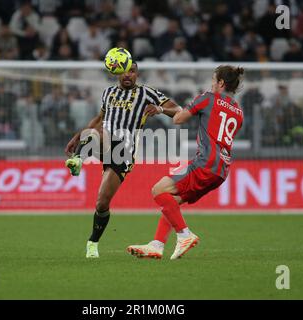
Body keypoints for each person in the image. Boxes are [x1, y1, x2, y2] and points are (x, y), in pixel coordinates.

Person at [64, 62, 181, 258]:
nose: (128, 75)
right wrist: (77, 137)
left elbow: (178, 109)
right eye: (124, 71)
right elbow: (100, 118)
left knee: (102, 204)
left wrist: (160, 110)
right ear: (117, 73)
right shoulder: (108, 93)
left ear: (137, 74)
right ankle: (77, 160)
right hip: (106, 143)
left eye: (132, 71)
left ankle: (92, 242)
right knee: (94, 132)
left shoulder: (147, 93)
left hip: (124, 153)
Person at [127, 65, 245, 260]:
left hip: (204, 163)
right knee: (172, 203)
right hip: (221, 171)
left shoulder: (207, 97)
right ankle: (157, 245)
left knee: (158, 190)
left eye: (214, 80)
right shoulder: (239, 113)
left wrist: (161, 109)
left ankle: (184, 234)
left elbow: (179, 119)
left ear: (221, 83)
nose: (212, 83)